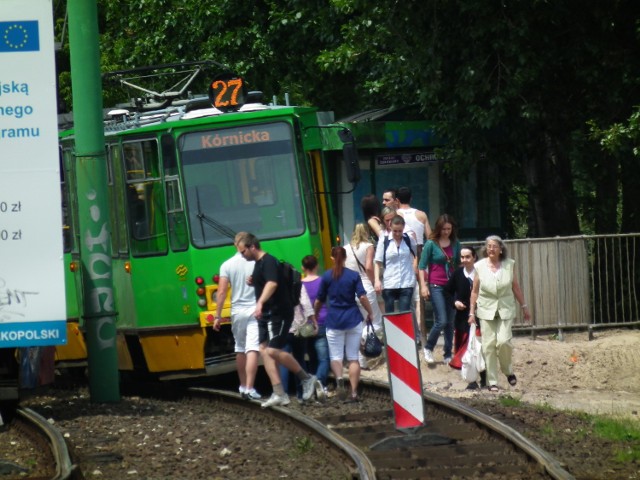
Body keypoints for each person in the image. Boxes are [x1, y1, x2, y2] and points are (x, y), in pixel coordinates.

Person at [237, 233, 320, 408]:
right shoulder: (258, 264)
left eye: (242, 251)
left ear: (252, 247)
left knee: (273, 351)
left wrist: (259, 302)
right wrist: (254, 282)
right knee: (263, 349)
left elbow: (272, 283)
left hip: (279, 313)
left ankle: (307, 378)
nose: (241, 255)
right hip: (267, 313)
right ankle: (279, 393)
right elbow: (267, 282)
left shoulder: (268, 261)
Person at [468, 236, 531, 392]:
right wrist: (471, 312)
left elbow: (515, 287)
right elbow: (474, 291)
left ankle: (508, 370)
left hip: (505, 307)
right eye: (489, 246)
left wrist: (524, 306)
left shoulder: (509, 265)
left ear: (500, 249)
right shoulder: (480, 266)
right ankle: (492, 381)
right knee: (488, 345)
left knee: (503, 342)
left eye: (494, 246)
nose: (491, 249)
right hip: (485, 309)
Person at [314, 246, 375, 403]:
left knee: (336, 357)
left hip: (334, 321)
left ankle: (340, 379)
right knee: (353, 357)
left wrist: (314, 315)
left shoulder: (326, 276)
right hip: (353, 319)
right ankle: (354, 393)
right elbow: (362, 297)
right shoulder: (353, 275)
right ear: (346, 258)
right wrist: (370, 312)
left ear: (332, 258)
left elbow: (319, 300)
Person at [214, 232, 261, 400]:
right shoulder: (256, 262)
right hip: (255, 309)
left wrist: (217, 316)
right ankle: (250, 387)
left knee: (240, 348)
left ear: (235, 245)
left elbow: (221, 292)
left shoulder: (226, 265)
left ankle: (242, 385)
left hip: (237, 311)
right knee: (252, 348)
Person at [419, 214, 461, 365]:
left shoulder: (456, 243)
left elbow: (458, 265)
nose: (446, 232)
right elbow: (421, 266)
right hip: (436, 284)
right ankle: (429, 347)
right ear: (438, 228)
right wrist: (423, 285)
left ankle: (447, 353)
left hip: (451, 286)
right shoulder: (431, 244)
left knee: (450, 321)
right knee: (441, 320)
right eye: (443, 229)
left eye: (449, 229)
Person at [444, 246, 486, 389]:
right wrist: (454, 303)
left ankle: (485, 379)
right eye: (462, 257)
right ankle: (471, 381)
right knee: (466, 350)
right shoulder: (457, 274)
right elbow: (447, 292)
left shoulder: (481, 273)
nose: (465, 260)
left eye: (468, 257)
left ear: (474, 257)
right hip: (462, 318)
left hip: (480, 316)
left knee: (480, 347)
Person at [345, 223, 384, 369]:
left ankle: (361, 360)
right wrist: (375, 281)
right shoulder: (368, 246)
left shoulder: (345, 248)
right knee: (375, 320)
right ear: (366, 232)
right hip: (365, 286)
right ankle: (370, 346)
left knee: (359, 324)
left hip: (350, 289)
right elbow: (368, 267)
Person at [279, 286, 317, 401]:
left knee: (283, 362)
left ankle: (283, 394)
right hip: (299, 327)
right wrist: (314, 321)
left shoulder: (276, 283)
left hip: (282, 328)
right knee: (300, 360)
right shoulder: (297, 283)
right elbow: (305, 303)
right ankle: (301, 395)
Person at [374, 215, 417, 313]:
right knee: (390, 315)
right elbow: (377, 262)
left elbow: (416, 254)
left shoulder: (408, 239)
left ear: (403, 228)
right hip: (389, 283)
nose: (397, 234)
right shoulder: (384, 240)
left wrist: (414, 268)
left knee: (404, 313)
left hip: (406, 282)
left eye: (400, 231)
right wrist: (377, 280)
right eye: (395, 231)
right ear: (390, 227)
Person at [300, 255, 330, 391]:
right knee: (323, 358)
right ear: (317, 266)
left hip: (306, 325)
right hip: (323, 320)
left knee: (311, 357)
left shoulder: (300, 284)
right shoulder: (323, 281)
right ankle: (318, 382)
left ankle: (312, 381)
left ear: (303, 268)